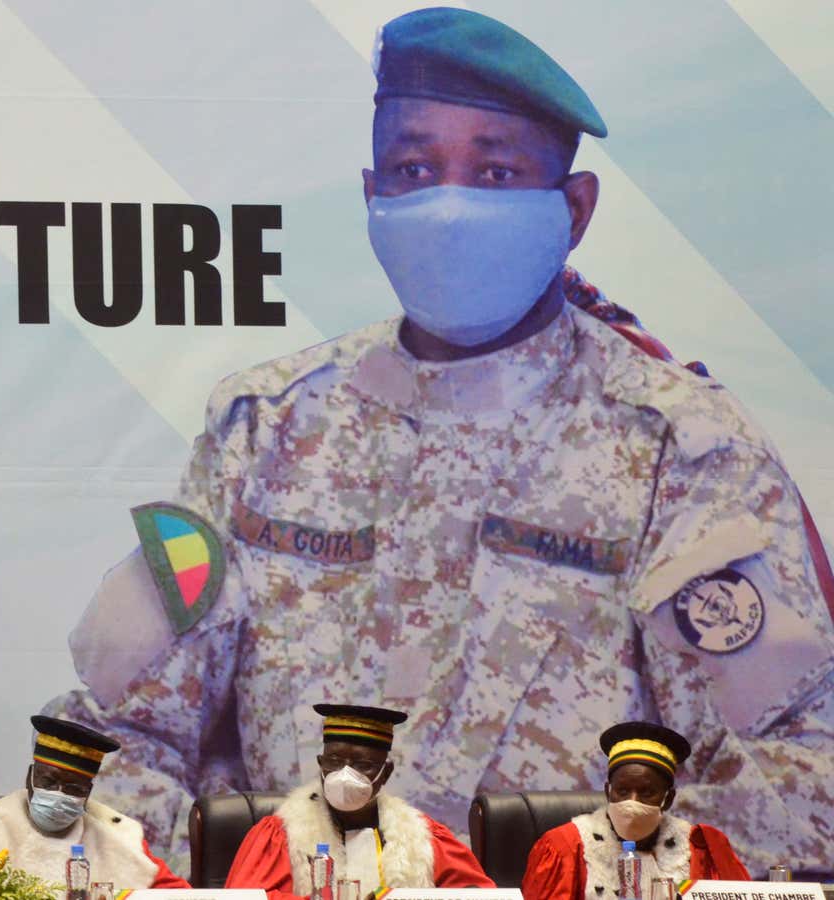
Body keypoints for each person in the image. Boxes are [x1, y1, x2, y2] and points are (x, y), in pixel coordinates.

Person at [42, 5, 834, 874]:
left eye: (494, 172)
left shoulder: (680, 446)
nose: (449, 207)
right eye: (414, 167)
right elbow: (124, 735)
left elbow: (797, 780)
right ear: (373, 194)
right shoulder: (265, 426)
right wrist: (192, 880)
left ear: (573, 209)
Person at [226, 705, 491, 898]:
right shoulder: (282, 835)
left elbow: (479, 896)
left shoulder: (421, 837)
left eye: (363, 765)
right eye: (334, 761)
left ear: (385, 774)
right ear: (320, 764)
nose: (345, 774)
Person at [0, 716, 189, 890]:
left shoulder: (117, 834)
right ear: (29, 778)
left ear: (87, 793)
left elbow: (176, 894)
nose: (58, 795)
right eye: (49, 783)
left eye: (73, 788)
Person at [523, 723, 749, 900]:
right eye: (622, 791)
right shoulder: (566, 847)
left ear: (668, 799)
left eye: (646, 792)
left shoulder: (701, 847)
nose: (632, 802)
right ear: (607, 792)